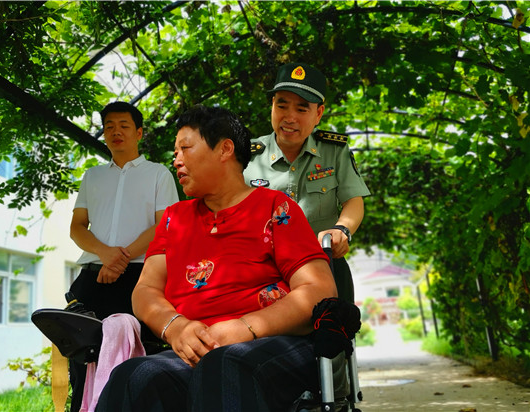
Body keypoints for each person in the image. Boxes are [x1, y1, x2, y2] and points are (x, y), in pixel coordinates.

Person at [95, 105, 338, 412]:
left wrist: (245, 327)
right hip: (195, 349)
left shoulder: (275, 207)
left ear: (225, 149)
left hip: (271, 343)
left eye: (185, 148)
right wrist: (176, 327)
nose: (176, 160)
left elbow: (319, 289)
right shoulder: (173, 219)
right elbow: (145, 291)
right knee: (133, 376)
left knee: (223, 366)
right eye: (175, 152)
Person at [243, 62, 371, 405]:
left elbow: (354, 201)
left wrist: (342, 230)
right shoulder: (245, 156)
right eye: (281, 105)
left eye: (302, 108)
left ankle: (336, 400)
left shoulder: (334, 151)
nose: (290, 116)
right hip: (262, 273)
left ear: (319, 114)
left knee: (333, 344)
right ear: (271, 107)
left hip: (323, 264)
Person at [68, 101, 179, 412]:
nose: (116, 132)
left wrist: (120, 259)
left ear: (139, 132)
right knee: (82, 360)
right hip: (92, 278)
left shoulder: (159, 174)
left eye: (124, 126)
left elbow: (165, 225)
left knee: (135, 359)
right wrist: (106, 255)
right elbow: (77, 228)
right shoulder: (92, 176)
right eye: (109, 127)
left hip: (139, 279)